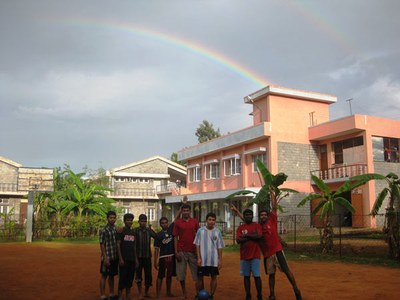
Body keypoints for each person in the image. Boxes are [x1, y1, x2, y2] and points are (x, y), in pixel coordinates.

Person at [232, 204, 302, 300]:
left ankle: (296, 290)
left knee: (287, 271)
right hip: (267, 255)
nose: (263, 216)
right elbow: (246, 220)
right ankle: (272, 294)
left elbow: (274, 207)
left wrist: (272, 193)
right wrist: (237, 212)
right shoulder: (258, 226)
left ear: (267, 216)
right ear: (259, 217)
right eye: (261, 215)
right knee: (271, 274)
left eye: (265, 215)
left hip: (277, 251)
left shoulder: (271, 221)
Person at [172, 198, 200, 299]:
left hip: (193, 251)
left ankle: (198, 294)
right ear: (182, 211)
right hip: (181, 251)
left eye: (187, 210)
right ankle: (184, 294)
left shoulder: (195, 222)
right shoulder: (178, 222)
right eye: (184, 210)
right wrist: (176, 252)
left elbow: (199, 236)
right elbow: (175, 237)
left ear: (190, 211)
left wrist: (199, 252)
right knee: (181, 275)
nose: (186, 212)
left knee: (196, 274)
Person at [193, 212, 225, 300]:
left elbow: (220, 247)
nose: (211, 222)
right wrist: (199, 258)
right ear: (206, 220)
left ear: (215, 221)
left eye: (213, 220)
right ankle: (197, 294)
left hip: (213, 260)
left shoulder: (217, 231)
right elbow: (197, 245)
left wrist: (220, 260)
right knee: (199, 277)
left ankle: (211, 295)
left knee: (214, 277)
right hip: (203, 260)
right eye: (210, 219)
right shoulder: (200, 231)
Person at [235, 208, 263, 300]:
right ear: (244, 216)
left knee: (257, 276)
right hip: (244, 256)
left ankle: (259, 295)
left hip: (255, 256)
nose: (248, 216)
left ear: (252, 216)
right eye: (246, 215)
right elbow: (238, 240)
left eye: (250, 215)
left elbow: (259, 236)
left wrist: (246, 235)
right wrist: (252, 236)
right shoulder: (240, 228)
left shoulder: (257, 225)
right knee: (246, 276)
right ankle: (248, 295)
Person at [134, 214, 157, 299]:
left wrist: (152, 230)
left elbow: (156, 237)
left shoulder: (149, 231)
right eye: (142, 221)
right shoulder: (135, 231)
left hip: (147, 257)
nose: (143, 223)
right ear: (139, 221)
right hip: (138, 257)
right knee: (138, 275)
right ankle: (140, 293)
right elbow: (133, 245)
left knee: (148, 276)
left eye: (144, 221)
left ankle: (146, 292)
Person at [117, 213, 138, 300]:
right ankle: (120, 295)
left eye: (131, 220)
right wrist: (120, 259)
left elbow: (134, 247)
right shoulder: (121, 231)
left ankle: (128, 295)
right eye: (128, 220)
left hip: (132, 259)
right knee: (122, 278)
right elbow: (118, 245)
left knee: (130, 278)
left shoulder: (133, 232)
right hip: (124, 259)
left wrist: (136, 259)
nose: (129, 222)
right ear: (124, 221)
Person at [154, 217, 176, 299]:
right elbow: (156, 249)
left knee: (169, 276)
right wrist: (155, 261)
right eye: (162, 223)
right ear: (160, 224)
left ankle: (168, 292)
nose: (164, 224)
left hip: (171, 256)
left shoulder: (170, 230)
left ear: (168, 223)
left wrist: (181, 208)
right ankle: (158, 294)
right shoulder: (158, 235)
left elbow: (175, 219)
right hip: (163, 257)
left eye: (165, 222)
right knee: (160, 276)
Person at [99, 211, 119, 300]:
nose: (112, 219)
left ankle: (111, 294)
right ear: (107, 218)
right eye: (111, 218)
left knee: (111, 276)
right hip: (107, 257)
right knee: (104, 275)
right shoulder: (104, 230)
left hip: (114, 256)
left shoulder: (115, 229)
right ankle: (102, 295)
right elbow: (102, 244)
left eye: (114, 218)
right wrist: (105, 257)